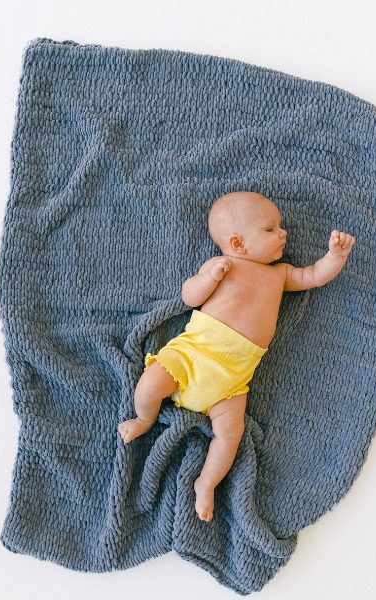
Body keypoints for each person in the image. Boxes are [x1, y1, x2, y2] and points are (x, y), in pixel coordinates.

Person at [117, 190, 356, 521]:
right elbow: (189, 296)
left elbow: (313, 275)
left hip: (232, 380)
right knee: (149, 384)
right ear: (238, 243)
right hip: (193, 356)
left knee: (230, 435)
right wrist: (208, 278)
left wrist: (335, 256)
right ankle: (143, 420)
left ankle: (206, 483)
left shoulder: (280, 274)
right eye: (271, 229)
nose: (283, 233)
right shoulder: (223, 266)